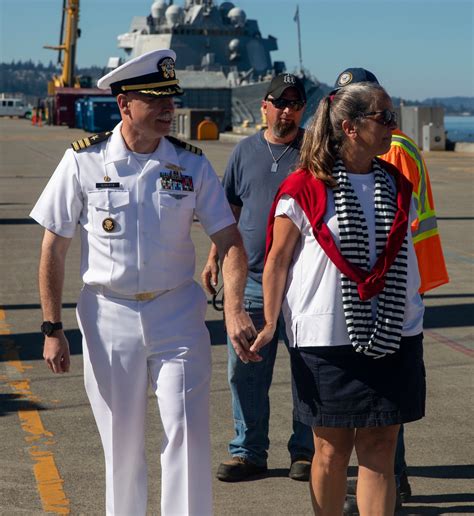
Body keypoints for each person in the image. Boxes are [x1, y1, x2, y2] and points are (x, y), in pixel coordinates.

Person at [30, 48, 258, 516]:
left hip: (177, 314)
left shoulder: (191, 165)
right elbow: (53, 247)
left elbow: (230, 240)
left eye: (170, 99)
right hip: (107, 316)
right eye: (154, 100)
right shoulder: (83, 162)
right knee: (122, 442)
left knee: (190, 433)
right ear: (124, 104)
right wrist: (52, 328)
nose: (167, 110)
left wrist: (234, 307)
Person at [251, 81, 426, 515]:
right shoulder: (305, 187)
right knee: (330, 450)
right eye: (383, 118)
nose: (392, 126)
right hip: (326, 337)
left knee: (382, 444)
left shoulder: (399, 185)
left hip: (393, 331)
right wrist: (271, 323)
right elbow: (277, 261)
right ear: (350, 127)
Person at [333, 68, 449, 507]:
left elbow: (385, 222)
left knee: (382, 410)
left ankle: (393, 481)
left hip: (396, 281)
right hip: (404, 274)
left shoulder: (391, 152)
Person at [201, 73, 314, 482]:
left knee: (308, 370)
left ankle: (306, 450)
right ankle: (248, 451)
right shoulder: (244, 151)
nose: (287, 110)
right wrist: (214, 256)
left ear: (303, 108)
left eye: (295, 103)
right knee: (244, 369)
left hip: (303, 284)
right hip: (249, 279)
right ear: (264, 106)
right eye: (280, 102)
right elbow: (228, 211)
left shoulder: (315, 152)